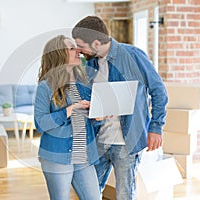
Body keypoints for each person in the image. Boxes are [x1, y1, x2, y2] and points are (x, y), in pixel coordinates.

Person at [72, 16, 168, 200]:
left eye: (81, 45)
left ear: (96, 42)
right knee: (89, 193)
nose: (79, 50)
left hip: (127, 142)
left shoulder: (133, 56)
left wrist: (156, 128)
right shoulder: (90, 64)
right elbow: (90, 100)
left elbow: (159, 91)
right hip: (99, 139)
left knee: (125, 195)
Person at [34, 35, 101, 200]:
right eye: (72, 48)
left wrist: (98, 117)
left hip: (83, 155)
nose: (78, 50)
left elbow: (87, 119)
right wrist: (69, 110)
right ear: (58, 55)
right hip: (57, 156)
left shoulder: (84, 82)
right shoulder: (46, 86)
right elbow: (40, 124)